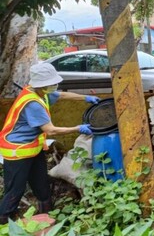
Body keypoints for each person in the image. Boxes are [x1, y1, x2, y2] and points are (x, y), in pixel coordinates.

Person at [0, 63, 98, 224]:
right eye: (50, 84)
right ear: (41, 85)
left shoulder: (40, 93)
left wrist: (85, 98)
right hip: (17, 151)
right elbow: (50, 130)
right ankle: (3, 221)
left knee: (41, 184)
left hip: (33, 148)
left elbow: (61, 96)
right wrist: (77, 128)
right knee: (15, 190)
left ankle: (47, 217)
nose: (53, 86)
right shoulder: (32, 103)